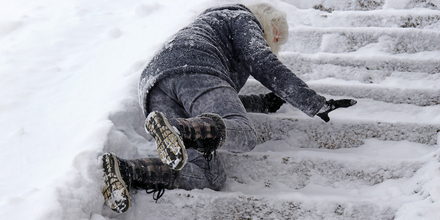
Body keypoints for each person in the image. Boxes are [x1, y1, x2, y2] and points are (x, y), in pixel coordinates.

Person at [101, 3, 356, 213]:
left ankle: (127, 170)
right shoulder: (241, 17)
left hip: (153, 86)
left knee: (209, 176)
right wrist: (313, 102)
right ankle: (179, 130)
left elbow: (214, 100)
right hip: (196, 66)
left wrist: (264, 103)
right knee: (244, 134)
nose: (273, 47)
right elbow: (262, 61)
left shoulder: (210, 28)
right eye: (276, 42)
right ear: (273, 30)